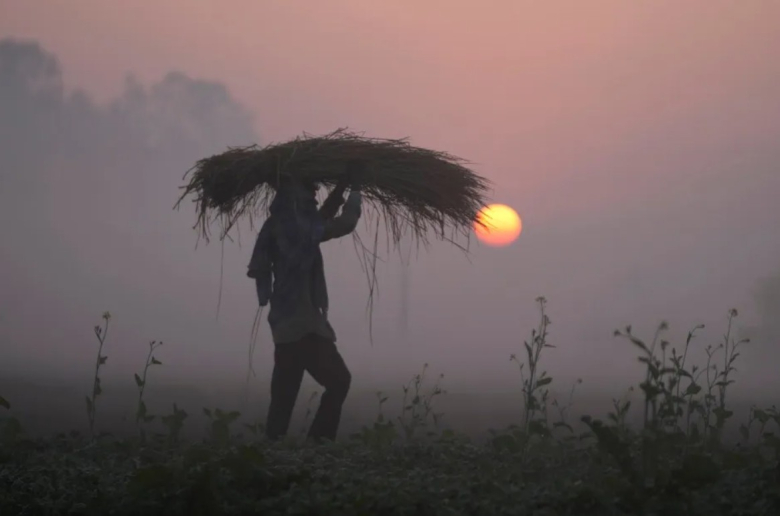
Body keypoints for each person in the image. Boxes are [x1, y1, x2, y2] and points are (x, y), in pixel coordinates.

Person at [247, 162, 364, 442]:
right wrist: (357, 190)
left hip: (285, 326)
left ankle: (272, 456)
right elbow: (342, 224)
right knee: (339, 382)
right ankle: (318, 445)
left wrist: (342, 187)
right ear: (298, 196)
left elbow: (320, 220)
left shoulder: (279, 225)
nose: (314, 197)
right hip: (304, 327)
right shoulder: (298, 230)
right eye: (310, 193)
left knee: (283, 399)